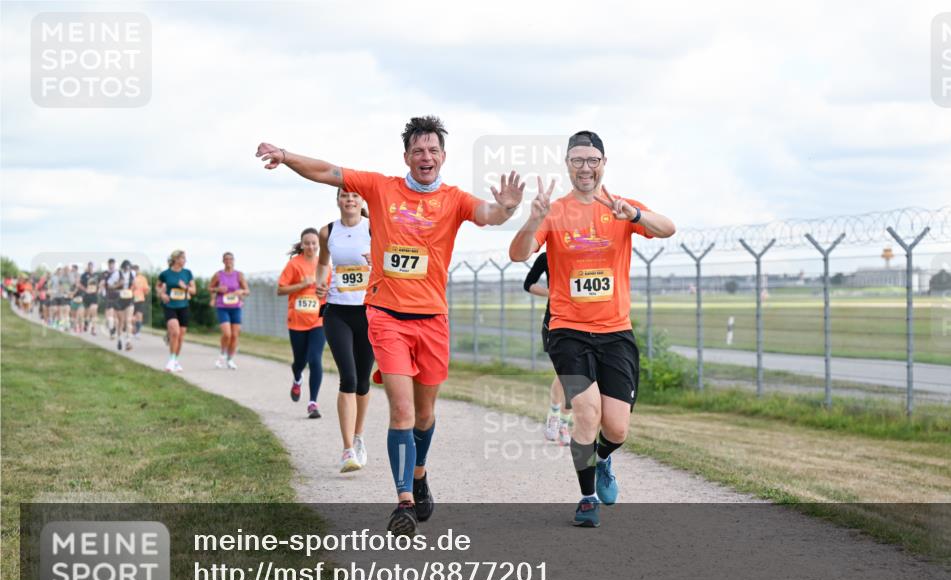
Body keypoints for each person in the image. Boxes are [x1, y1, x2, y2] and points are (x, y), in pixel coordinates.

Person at [257, 115, 524, 535]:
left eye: (433, 151)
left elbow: (490, 214)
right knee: (400, 409)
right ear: (406, 156)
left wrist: (507, 206)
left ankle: (418, 474)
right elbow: (330, 171)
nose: (426, 157)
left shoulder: (453, 199)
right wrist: (286, 156)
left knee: (424, 413)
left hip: (432, 319)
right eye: (418, 150)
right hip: (385, 316)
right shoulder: (381, 188)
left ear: (443, 157)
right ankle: (402, 501)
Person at [509, 131, 676, 528]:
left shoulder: (620, 207)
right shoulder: (555, 211)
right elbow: (517, 254)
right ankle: (586, 498)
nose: (585, 167)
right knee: (586, 412)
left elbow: (668, 228)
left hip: (616, 331)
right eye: (578, 160)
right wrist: (534, 217)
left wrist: (634, 215)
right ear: (567, 164)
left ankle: (602, 459)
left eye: (592, 160)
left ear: (604, 163)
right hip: (568, 329)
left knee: (616, 427)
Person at [314, 188, 375, 473]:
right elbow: (323, 263)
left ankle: (359, 437)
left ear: (362, 201)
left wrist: (377, 265)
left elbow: (391, 259)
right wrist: (320, 282)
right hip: (337, 311)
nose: (349, 200)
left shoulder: (374, 227)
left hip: (368, 311)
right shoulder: (327, 232)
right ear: (338, 200)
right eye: (344, 195)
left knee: (363, 382)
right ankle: (347, 449)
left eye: (354, 196)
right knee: (348, 378)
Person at [523, 252, 573, 446]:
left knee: (575, 376)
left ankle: (564, 423)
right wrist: (552, 293)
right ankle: (554, 415)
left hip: (584, 321)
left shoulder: (586, 253)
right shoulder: (547, 257)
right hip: (555, 321)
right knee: (564, 374)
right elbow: (529, 284)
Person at [278, 229, 328, 419]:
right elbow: (280, 290)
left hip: (318, 320)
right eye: (307, 243)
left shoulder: (324, 264)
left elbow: (329, 292)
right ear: (302, 244)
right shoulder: (294, 264)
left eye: (314, 243)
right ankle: (297, 378)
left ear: (319, 244)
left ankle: (312, 403)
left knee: (315, 359)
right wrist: (302, 285)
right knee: (300, 361)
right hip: (297, 321)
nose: (311, 246)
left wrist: (324, 293)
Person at [157, 250, 196, 372]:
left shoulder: (187, 273)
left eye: (185, 258)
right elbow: (158, 286)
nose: (184, 261)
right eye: (182, 258)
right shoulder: (165, 274)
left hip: (183, 305)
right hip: (170, 305)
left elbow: (194, 291)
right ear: (175, 259)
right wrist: (162, 295)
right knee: (175, 332)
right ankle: (171, 360)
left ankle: (176, 360)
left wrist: (186, 287)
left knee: (180, 336)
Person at [208, 252, 249, 369]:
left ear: (234, 260)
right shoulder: (218, 275)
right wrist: (217, 289)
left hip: (236, 307)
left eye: (230, 259)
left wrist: (241, 292)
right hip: (222, 307)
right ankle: (222, 355)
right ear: (223, 261)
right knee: (227, 333)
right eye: (226, 259)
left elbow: (247, 290)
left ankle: (230, 359)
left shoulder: (239, 275)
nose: (228, 261)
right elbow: (210, 288)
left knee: (235, 335)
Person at [109, 260, 136, 351]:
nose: (126, 270)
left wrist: (133, 289)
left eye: (128, 269)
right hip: (119, 300)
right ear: (122, 268)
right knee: (121, 321)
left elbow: (134, 285)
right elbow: (109, 286)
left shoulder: (133, 273)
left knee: (128, 320)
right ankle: (119, 339)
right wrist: (118, 285)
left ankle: (128, 342)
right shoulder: (116, 274)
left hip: (129, 298)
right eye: (125, 269)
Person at [79, 262, 101, 335]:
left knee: (94, 311)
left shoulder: (96, 275)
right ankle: (86, 322)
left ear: (93, 267)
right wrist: (85, 289)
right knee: (87, 313)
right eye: (89, 266)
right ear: (88, 267)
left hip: (94, 296)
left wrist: (99, 290)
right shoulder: (84, 275)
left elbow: (101, 284)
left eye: (92, 266)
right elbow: (79, 284)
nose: (90, 268)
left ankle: (93, 329)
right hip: (87, 296)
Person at [131, 264, 150, 339]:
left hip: (140, 299)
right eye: (134, 270)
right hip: (130, 299)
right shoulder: (129, 277)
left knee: (139, 316)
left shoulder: (143, 278)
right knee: (132, 317)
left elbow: (146, 290)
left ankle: (137, 332)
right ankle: (132, 331)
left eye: (137, 270)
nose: (136, 271)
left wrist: (147, 290)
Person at [100, 259, 117, 338]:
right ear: (108, 264)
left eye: (112, 264)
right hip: (108, 295)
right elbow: (102, 283)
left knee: (114, 313)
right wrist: (102, 290)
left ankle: (112, 328)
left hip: (117, 295)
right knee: (109, 312)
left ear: (114, 264)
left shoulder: (117, 273)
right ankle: (111, 328)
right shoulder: (105, 273)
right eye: (110, 264)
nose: (111, 265)